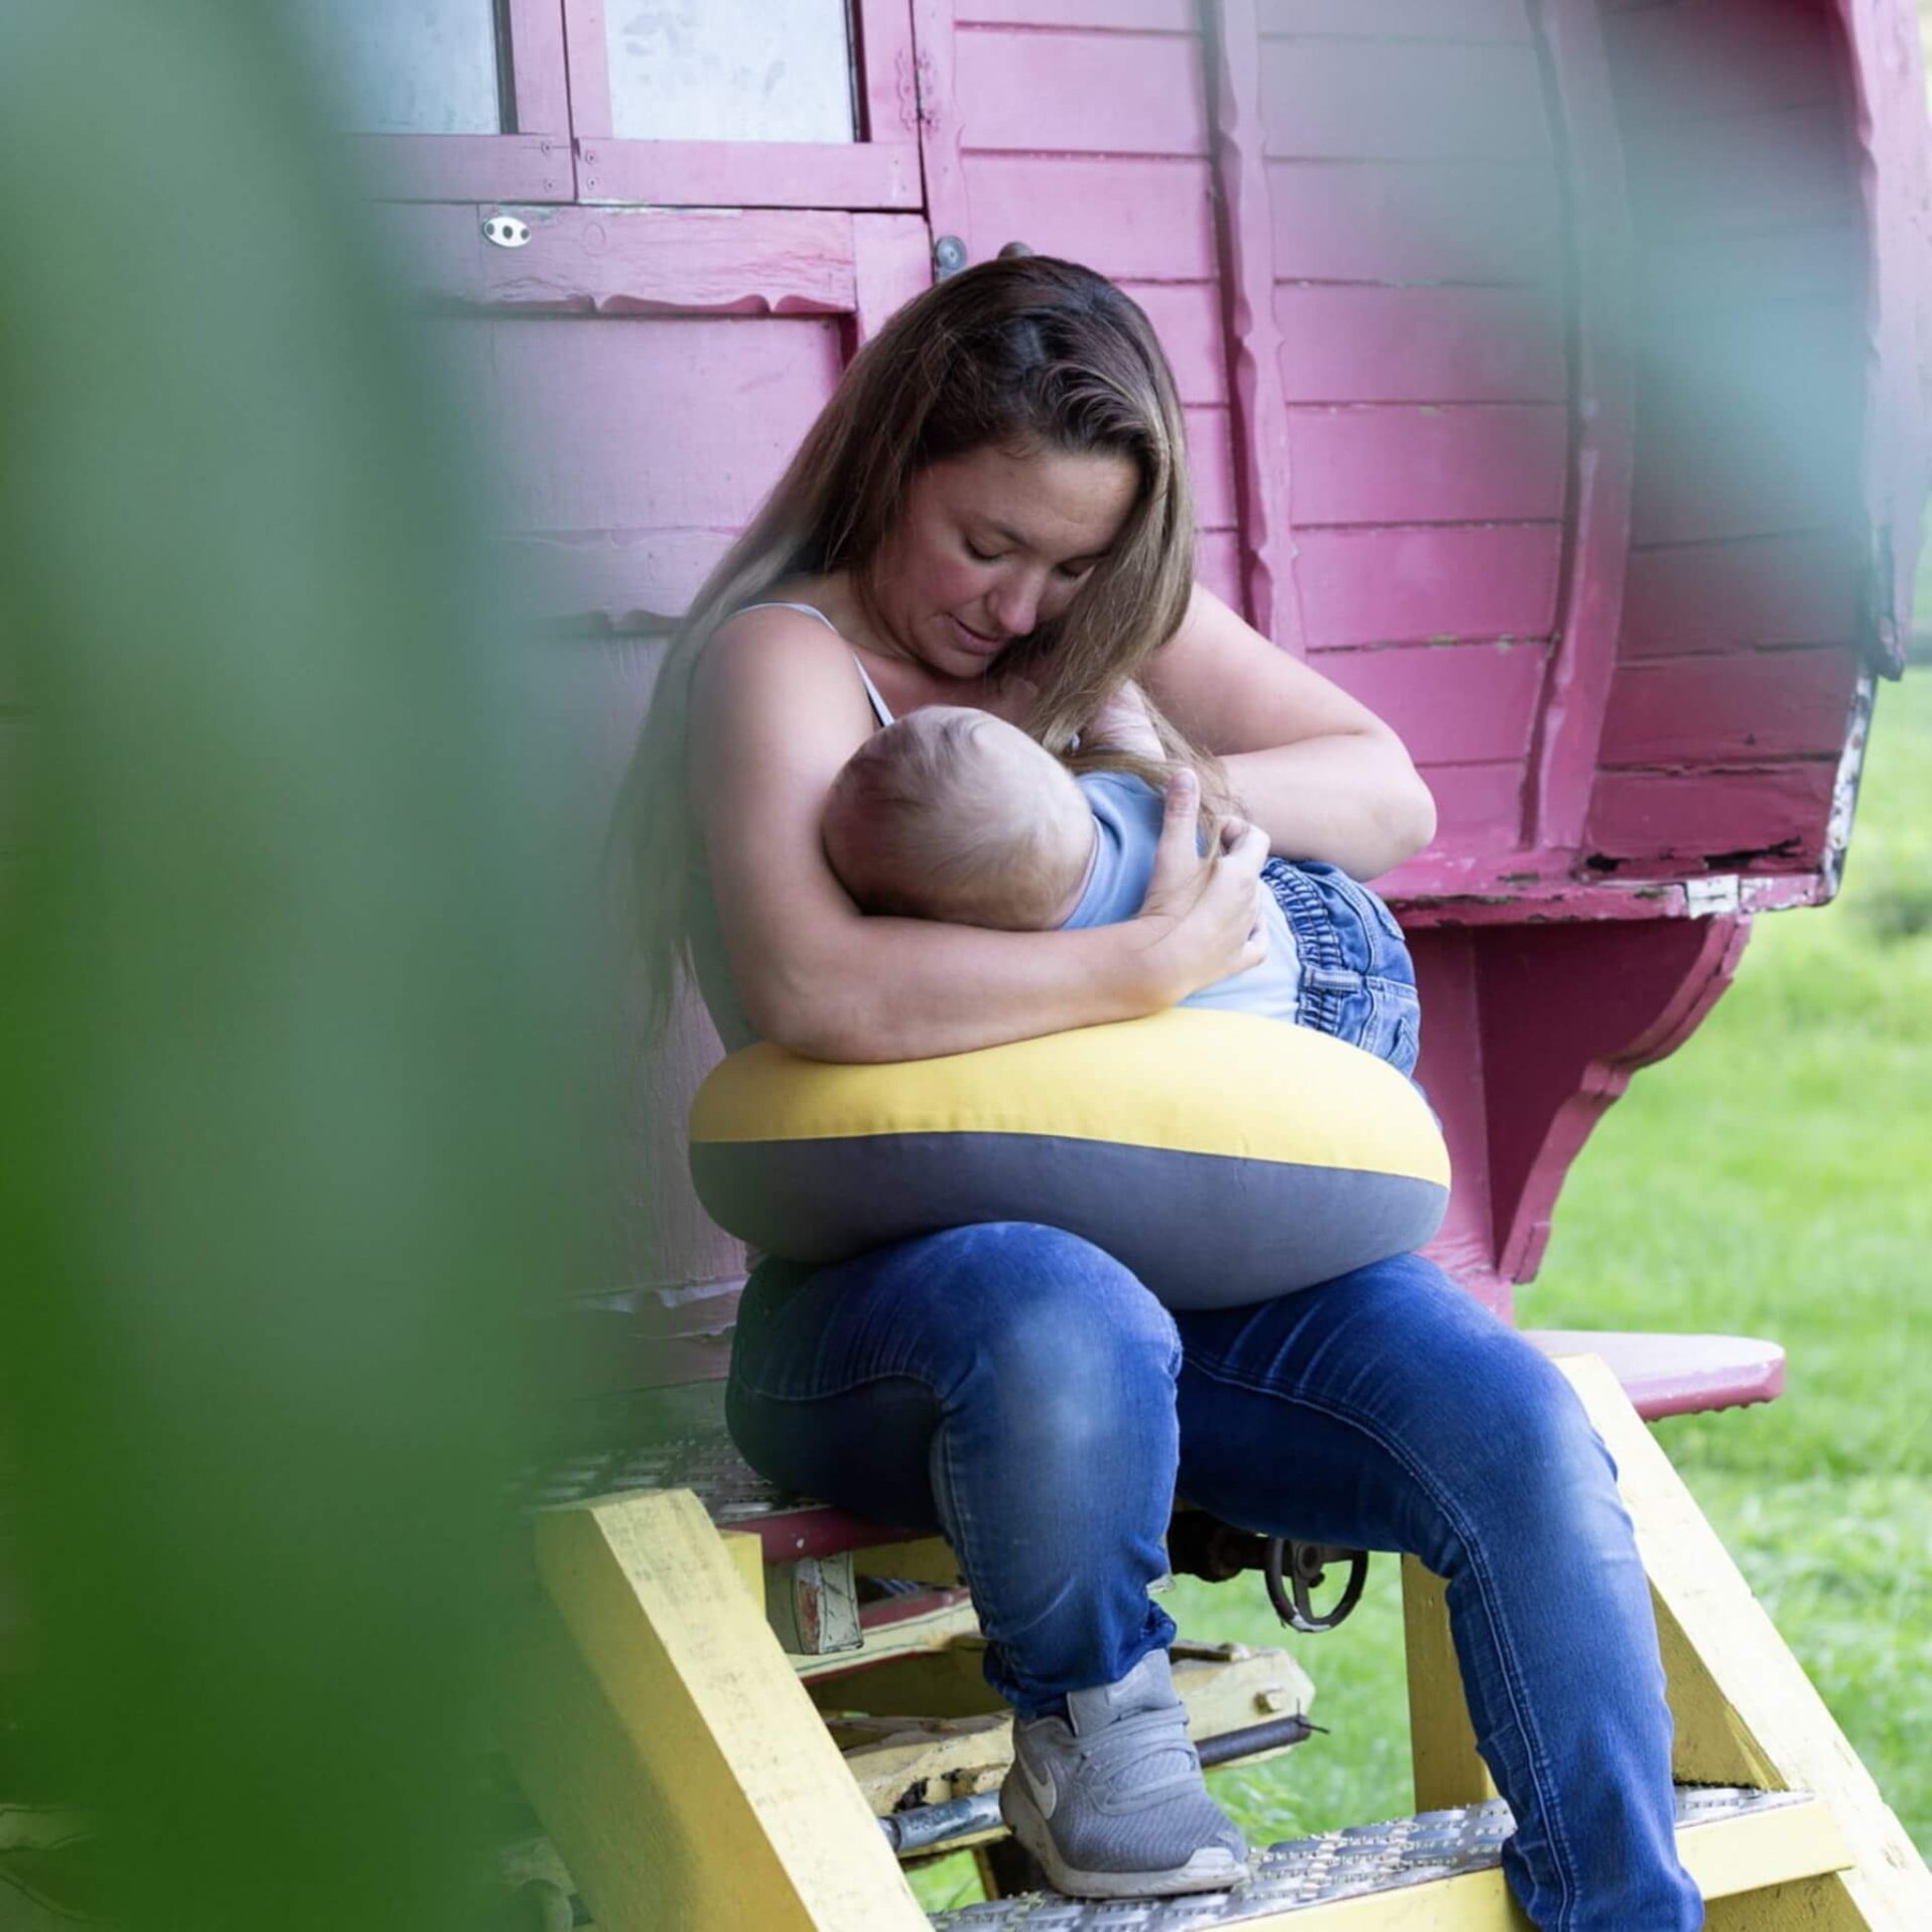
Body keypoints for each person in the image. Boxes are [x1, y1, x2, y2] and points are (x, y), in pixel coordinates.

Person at [616, 255, 1703, 1924]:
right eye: (987, 544)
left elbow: (1382, 792)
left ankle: (1626, 1909)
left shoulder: (1097, 623)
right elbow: (812, 988)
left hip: (1220, 1292)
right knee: (1068, 1306)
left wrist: (1120, 795)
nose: (1025, 609)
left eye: (1073, 564)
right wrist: (1135, 964)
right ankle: (1090, 1737)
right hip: (905, 1328)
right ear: (893, 461)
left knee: (1521, 1436)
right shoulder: (789, 661)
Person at [817, 693, 1419, 1073]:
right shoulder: (1133, 799)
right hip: (1322, 924)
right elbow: (1125, 728)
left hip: (1289, 1042)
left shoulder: (1022, 974)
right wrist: (1104, 685)